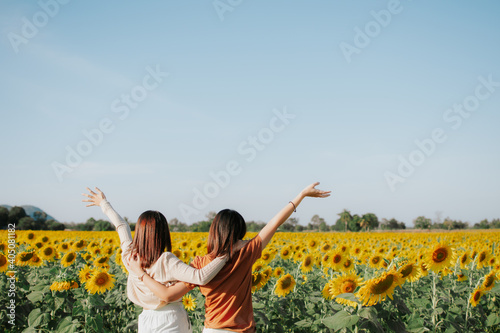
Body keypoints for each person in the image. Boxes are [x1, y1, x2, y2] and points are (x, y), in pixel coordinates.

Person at [127, 182, 330, 333]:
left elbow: (170, 295)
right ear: (240, 231)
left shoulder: (200, 263)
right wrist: (300, 195)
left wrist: (140, 274)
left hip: (212, 330)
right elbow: (274, 223)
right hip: (241, 330)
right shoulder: (246, 252)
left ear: (213, 231)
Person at [82, 187, 230, 333]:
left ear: (139, 231)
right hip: (171, 318)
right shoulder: (166, 260)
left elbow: (121, 226)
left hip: (146, 319)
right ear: (163, 233)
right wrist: (226, 254)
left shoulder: (129, 256)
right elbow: (201, 277)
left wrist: (103, 203)